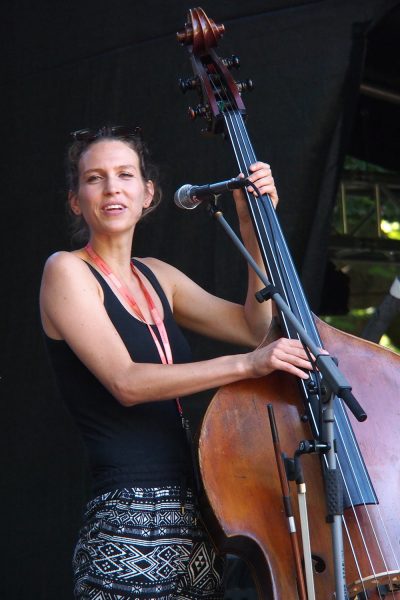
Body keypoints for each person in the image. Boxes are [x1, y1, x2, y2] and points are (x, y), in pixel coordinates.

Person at [40, 125, 314, 600]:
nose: (112, 188)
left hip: (200, 523)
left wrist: (251, 228)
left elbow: (253, 326)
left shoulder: (157, 276)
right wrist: (250, 366)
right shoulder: (66, 270)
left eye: (125, 175)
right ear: (75, 200)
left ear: (149, 193)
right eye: (94, 178)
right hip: (126, 523)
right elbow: (127, 381)